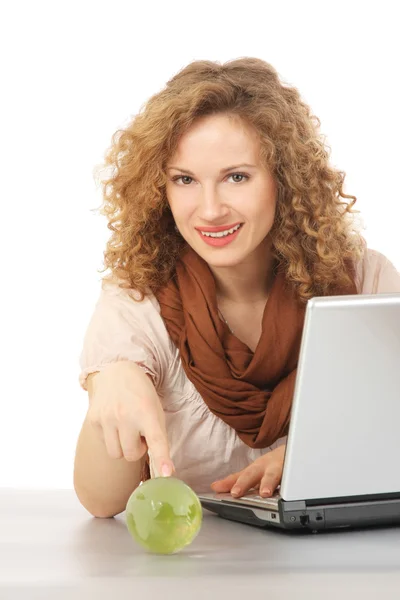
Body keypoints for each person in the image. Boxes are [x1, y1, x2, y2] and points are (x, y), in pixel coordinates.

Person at [73, 57, 400, 518]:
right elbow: (102, 503)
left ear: (283, 181)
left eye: (237, 177)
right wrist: (107, 383)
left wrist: (321, 457)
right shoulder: (137, 302)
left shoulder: (367, 283)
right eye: (185, 180)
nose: (209, 210)